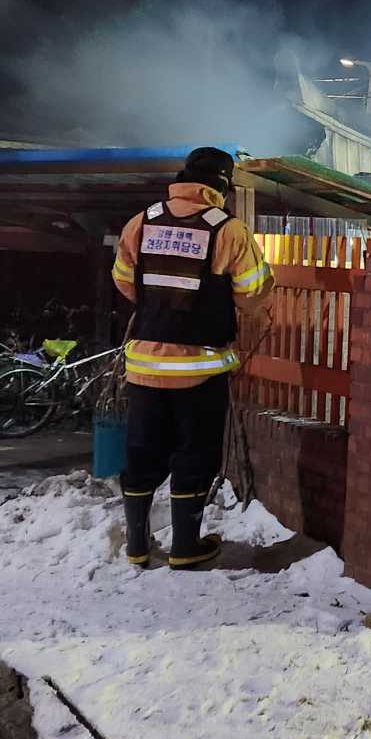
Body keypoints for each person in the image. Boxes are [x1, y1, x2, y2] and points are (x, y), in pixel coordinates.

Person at [110, 146, 274, 569]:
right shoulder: (228, 230)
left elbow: (125, 282)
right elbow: (253, 292)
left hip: (145, 367)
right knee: (194, 453)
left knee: (142, 452)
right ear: (222, 185)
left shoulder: (142, 221)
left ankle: (137, 546)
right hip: (200, 371)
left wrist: (161, 305)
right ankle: (185, 547)